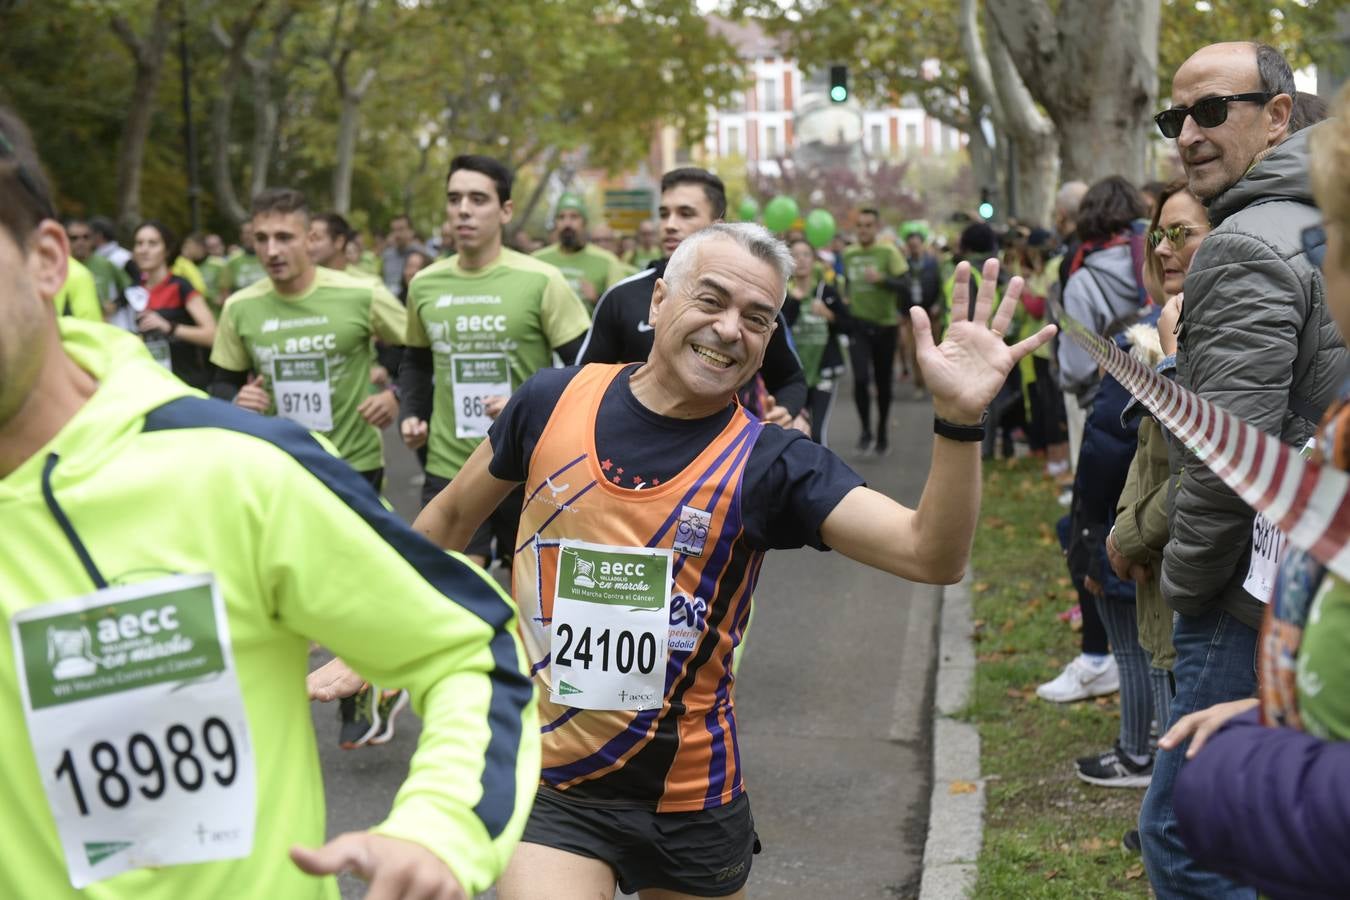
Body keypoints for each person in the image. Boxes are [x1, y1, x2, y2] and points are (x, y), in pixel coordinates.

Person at [316, 223, 1057, 899]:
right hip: (553, 786)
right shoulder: (551, 401)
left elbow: (932, 554)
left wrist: (960, 419)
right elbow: (447, 517)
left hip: (691, 795)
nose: (730, 329)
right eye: (713, 299)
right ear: (661, 297)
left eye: (758, 317)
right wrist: (378, 637)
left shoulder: (774, 463)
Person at [0, 101, 536, 900]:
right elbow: (226, 369)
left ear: (48, 261)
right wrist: (241, 389)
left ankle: (364, 701)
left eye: (289, 235)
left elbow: (470, 647)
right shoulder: (245, 310)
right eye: (265, 239)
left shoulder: (228, 469)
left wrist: (437, 831)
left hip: (386, 466)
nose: (276, 251)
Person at [1139, 42, 1347, 899]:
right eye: (1174, 117)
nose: (1188, 133)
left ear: (1279, 113)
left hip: (1247, 588)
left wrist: (1186, 583)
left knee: (1181, 827)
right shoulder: (1303, 217)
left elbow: (1229, 457)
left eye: (1212, 110)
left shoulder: (1243, 244)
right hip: (1304, 576)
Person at [398, 154, 592, 570]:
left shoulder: (541, 279)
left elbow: (588, 368)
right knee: (447, 587)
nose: (463, 209)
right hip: (450, 463)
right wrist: (412, 413)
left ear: (505, 210)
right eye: (454, 199)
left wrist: (525, 406)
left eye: (478, 199)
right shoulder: (426, 283)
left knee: (534, 599)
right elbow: (416, 360)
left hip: (524, 465)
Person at [577, 167, 807, 426]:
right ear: (658, 300)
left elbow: (790, 379)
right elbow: (583, 382)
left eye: (685, 214)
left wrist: (788, 413)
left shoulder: (754, 300)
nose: (670, 225)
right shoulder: (621, 297)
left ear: (717, 226)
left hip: (729, 458)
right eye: (664, 214)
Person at [843, 208, 908, 456]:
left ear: (876, 228)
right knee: (860, 379)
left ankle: (882, 430)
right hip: (859, 325)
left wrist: (882, 279)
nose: (863, 230)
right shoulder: (849, 254)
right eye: (859, 225)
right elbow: (848, 284)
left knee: (883, 383)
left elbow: (905, 284)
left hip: (885, 326)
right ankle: (865, 430)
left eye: (868, 225)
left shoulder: (888, 252)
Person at [128, 220, 217, 390]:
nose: (144, 249)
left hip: (185, 385)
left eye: (152, 243)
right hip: (147, 385)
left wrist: (169, 327)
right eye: (139, 243)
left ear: (167, 250)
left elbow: (212, 335)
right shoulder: (132, 290)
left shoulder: (180, 286)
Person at [783, 236, 850, 444]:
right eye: (795, 255)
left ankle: (823, 475)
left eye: (806, 255)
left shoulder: (826, 292)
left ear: (814, 260)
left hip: (823, 373)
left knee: (819, 433)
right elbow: (774, 331)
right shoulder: (781, 294)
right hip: (792, 375)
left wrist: (829, 315)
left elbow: (849, 326)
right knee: (795, 433)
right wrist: (794, 301)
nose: (801, 260)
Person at [532, 195, 631, 313]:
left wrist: (598, 299)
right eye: (561, 217)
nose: (567, 223)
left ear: (584, 223)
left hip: (591, 330)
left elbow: (623, 308)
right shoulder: (537, 259)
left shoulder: (607, 261)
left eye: (574, 217)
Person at [898, 221, 942, 394]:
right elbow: (900, 289)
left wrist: (939, 303)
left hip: (932, 312)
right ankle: (919, 384)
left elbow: (941, 285)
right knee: (916, 350)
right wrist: (900, 311)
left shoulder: (933, 263)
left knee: (936, 348)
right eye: (911, 244)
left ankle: (936, 382)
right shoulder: (904, 265)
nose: (913, 247)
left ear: (921, 244)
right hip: (912, 314)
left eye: (916, 244)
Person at [66, 218, 129, 317]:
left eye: (86, 237)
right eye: (74, 238)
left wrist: (116, 304)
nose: (80, 241)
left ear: (92, 239)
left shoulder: (104, 263)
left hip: (100, 327)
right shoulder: (59, 267)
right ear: (65, 240)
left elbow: (130, 286)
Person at [221, 221, 266, 297]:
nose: (248, 236)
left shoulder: (268, 257)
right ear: (241, 236)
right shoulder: (233, 260)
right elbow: (225, 291)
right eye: (245, 233)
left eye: (251, 232)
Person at [380, 214, 418, 294]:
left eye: (401, 229)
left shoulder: (420, 254)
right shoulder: (386, 255)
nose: (397, 234)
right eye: (394, 230)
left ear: (411, 231)